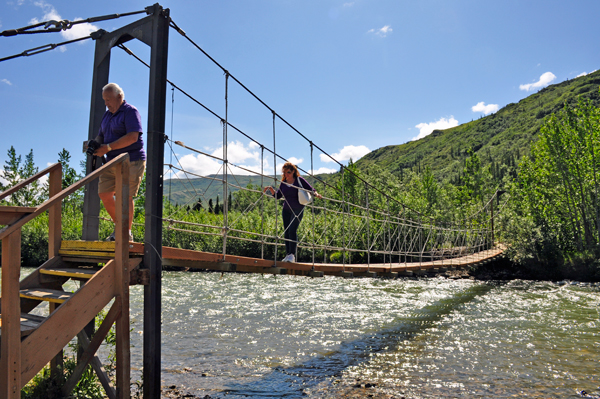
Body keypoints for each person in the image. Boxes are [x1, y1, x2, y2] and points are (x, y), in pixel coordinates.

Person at [89, 83, 146, 242]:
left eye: (108, 99)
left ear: (120, 97)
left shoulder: (130, 112)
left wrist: (107, 147)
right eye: (104, 100)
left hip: (131, 161)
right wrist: (96, 143)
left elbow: (133, 137)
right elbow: (101, 135)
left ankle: (125, 233)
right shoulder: (107, 115)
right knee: (104, 194)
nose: (106, 103)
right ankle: (120, 227)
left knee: (124, 196)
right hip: (110, 161)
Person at [263, 162, 322, 262]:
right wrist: (272, 190)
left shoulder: (299, 180)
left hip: (298, 209)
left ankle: (292, 255)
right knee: (286, 232)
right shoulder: (283, 183)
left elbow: (311, 189)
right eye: (284, 172)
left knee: (292, 230)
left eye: (289, 172)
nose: (286, 174)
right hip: (286, 210)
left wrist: (316, 194)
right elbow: (278, 196)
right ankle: (288, 254)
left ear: (293, 171)